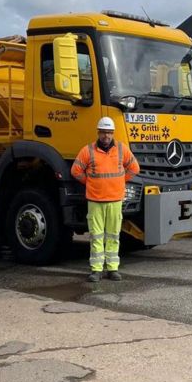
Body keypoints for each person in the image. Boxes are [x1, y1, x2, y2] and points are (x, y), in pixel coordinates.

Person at [72, 117, 139, 282]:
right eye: (103, 132)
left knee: (113, 235)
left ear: (113, 133)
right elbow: (75, 170)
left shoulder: (122, 150)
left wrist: (119, 181)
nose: (106, 136)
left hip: (115, 200)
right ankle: (96, 270)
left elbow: (134, 168)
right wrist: (90, 183)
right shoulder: (88, 151)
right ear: (98, 132)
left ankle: (112, 269)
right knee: (96, 236)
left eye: (109, 132)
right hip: (95, 201)